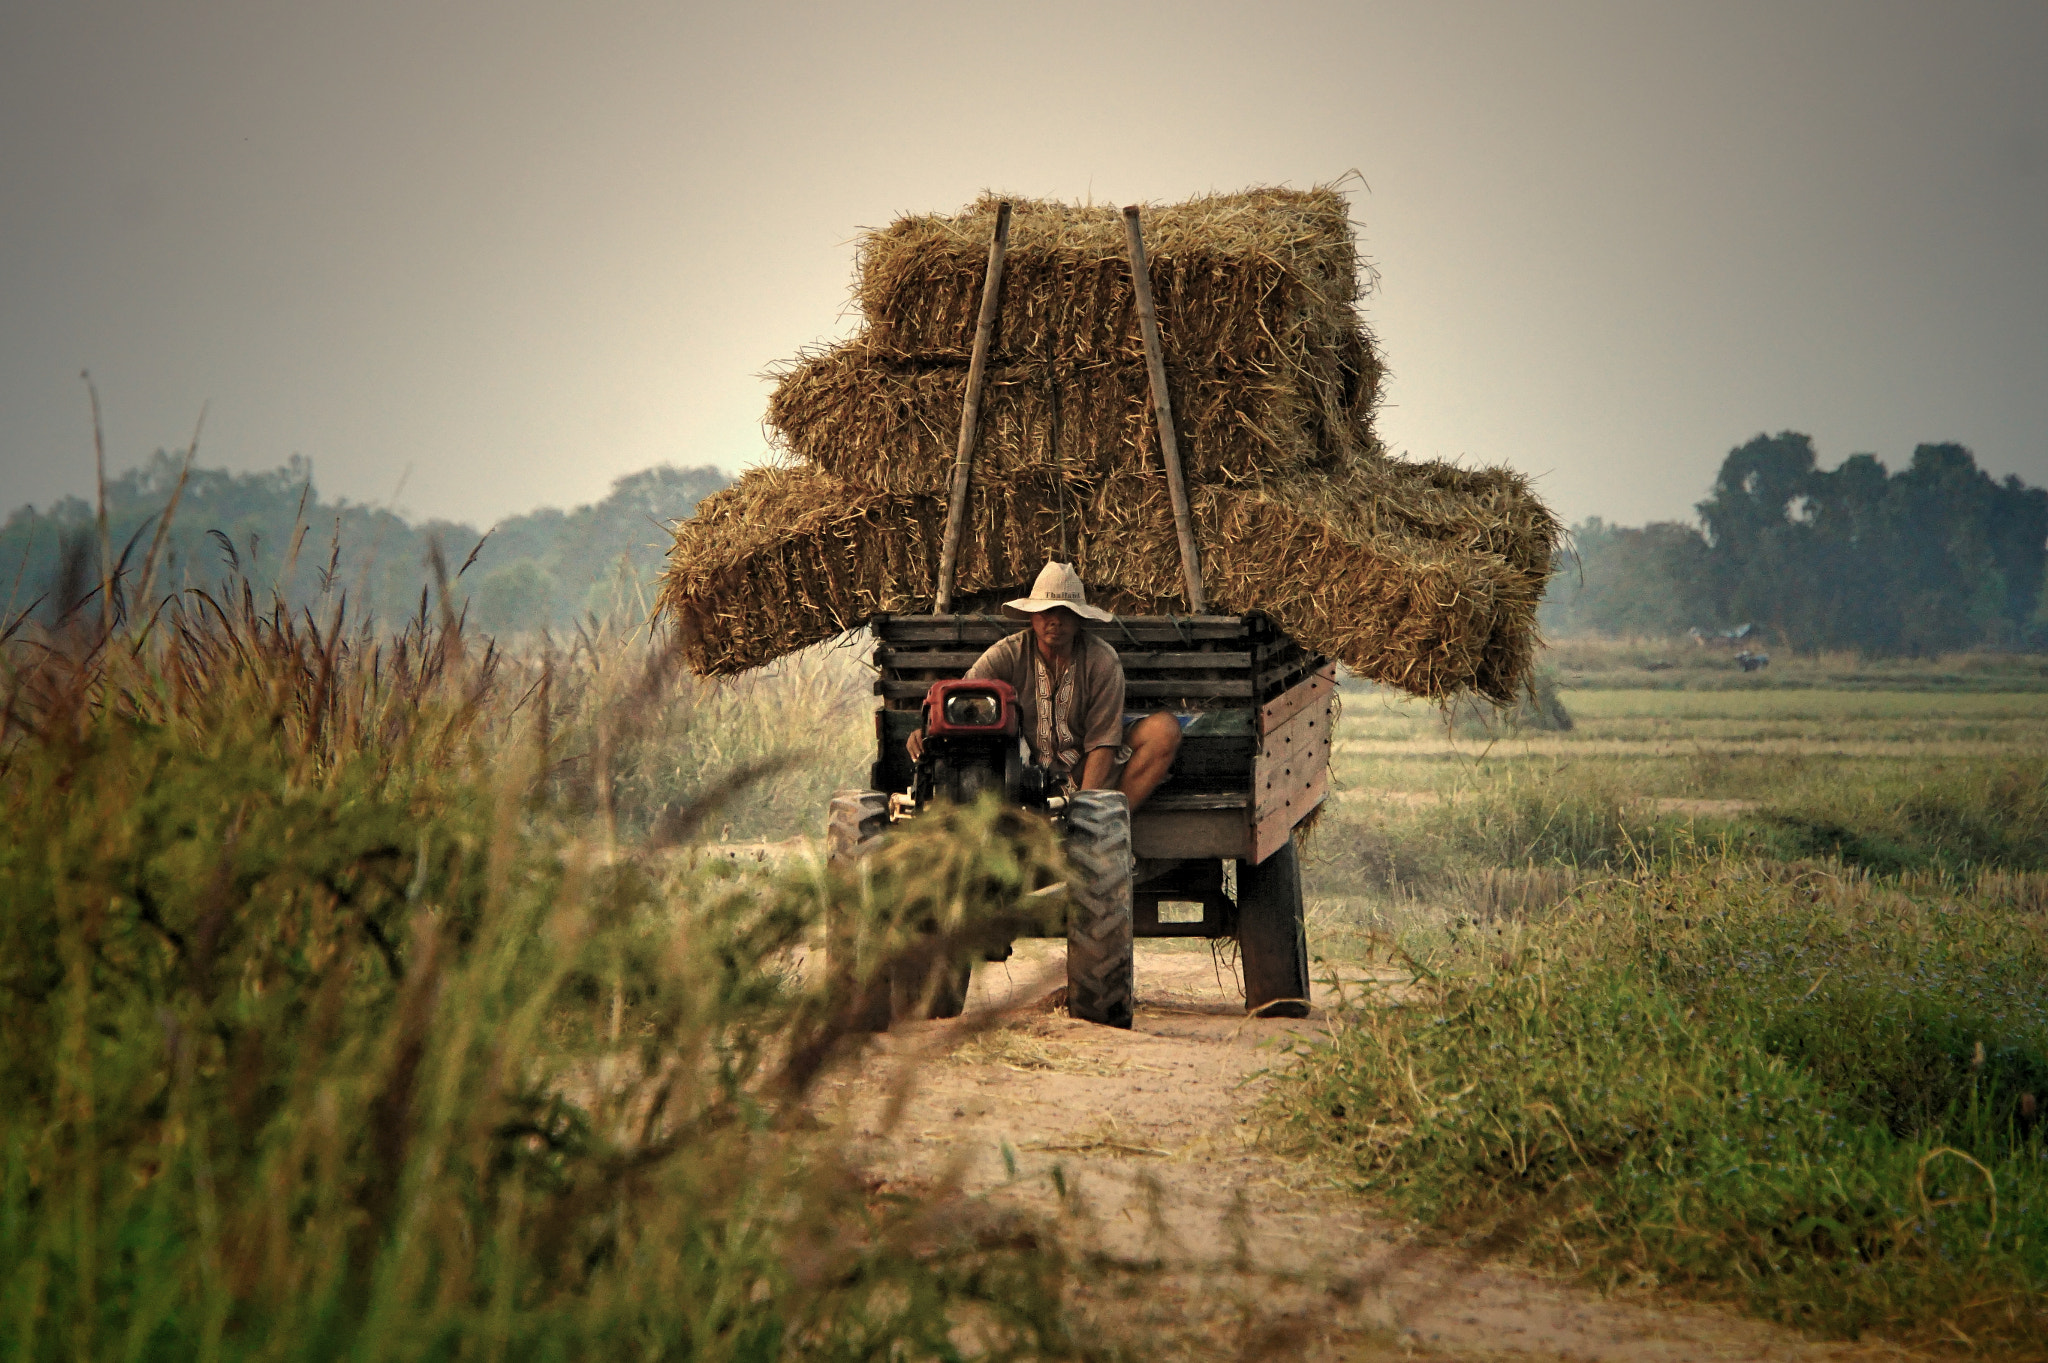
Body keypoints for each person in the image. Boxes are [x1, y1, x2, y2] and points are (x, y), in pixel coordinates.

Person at [906, 562, 1182, 812]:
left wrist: (1085, 811)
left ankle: (1114, 821)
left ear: (1080, 619)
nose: (1055, 621)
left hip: (1088, 769)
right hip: (1019, 772)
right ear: (1032, 616)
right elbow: (962, 700)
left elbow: (1102, 742)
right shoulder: (1008, 654)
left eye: (1066, 612)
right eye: (1047, 611)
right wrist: (926, 730)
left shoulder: (1102, 660)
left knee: (1164, 730)